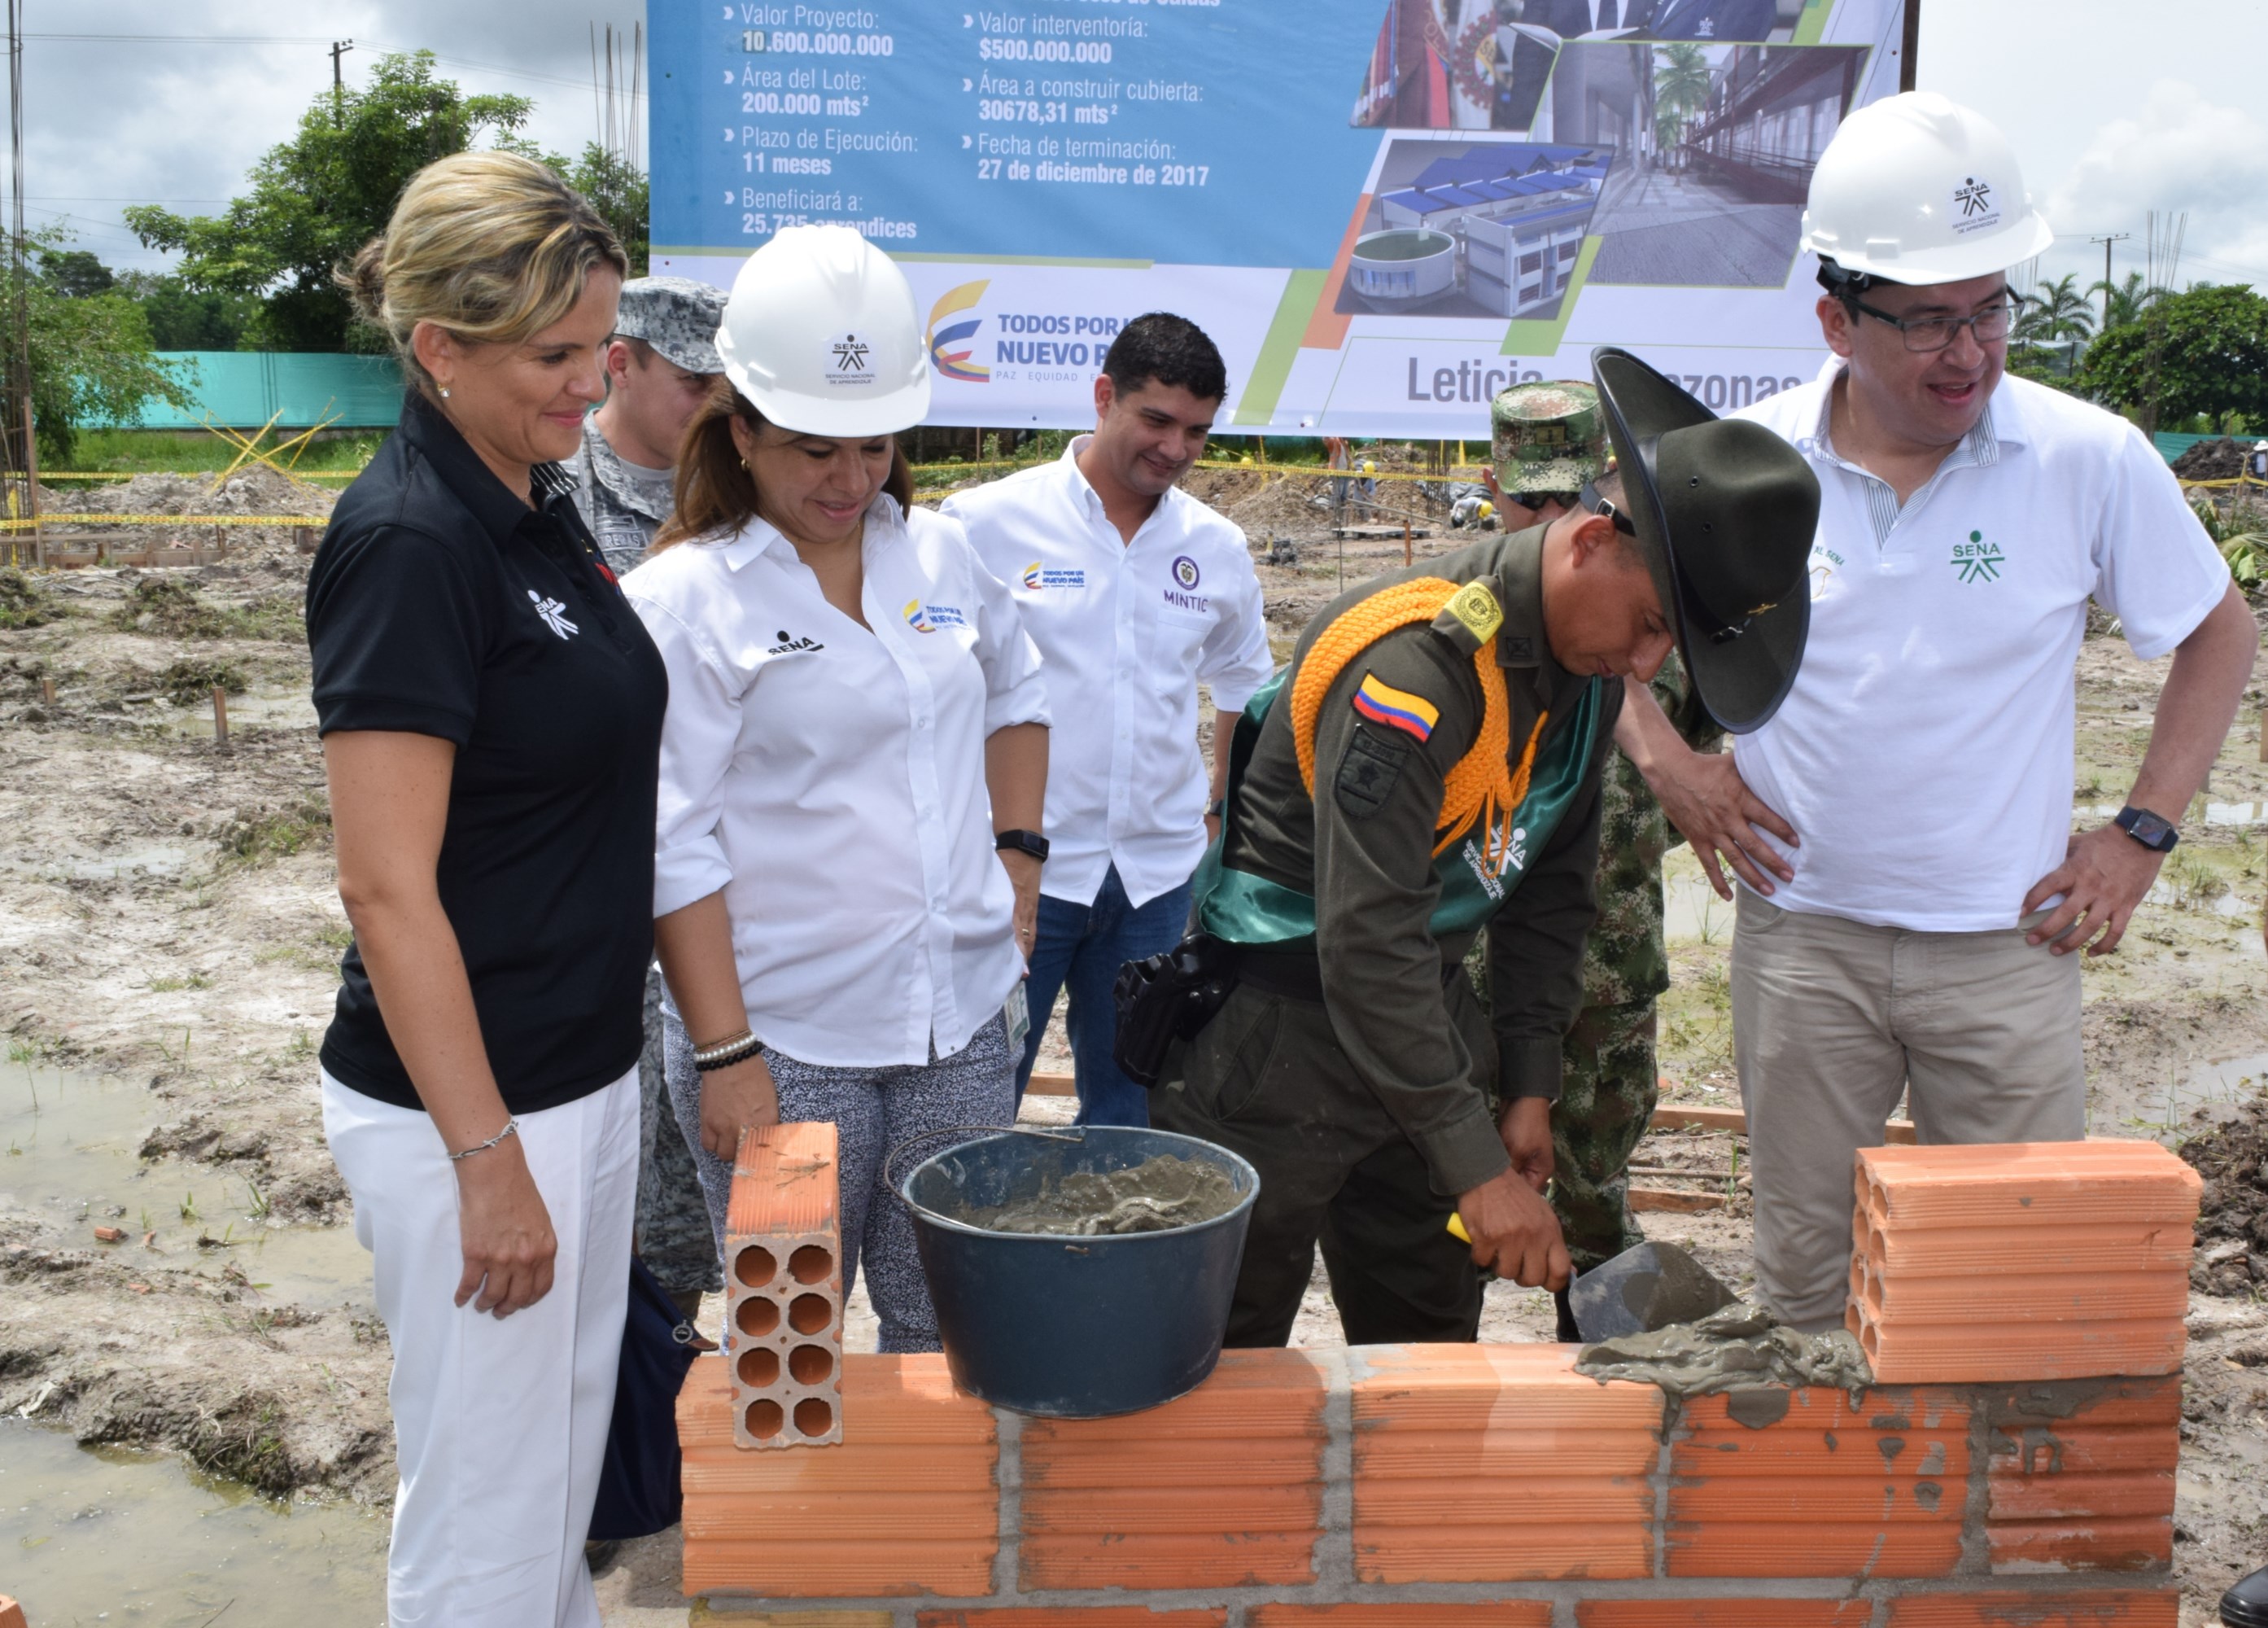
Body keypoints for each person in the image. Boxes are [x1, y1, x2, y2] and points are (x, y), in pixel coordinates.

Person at [1151, 348, 1820, 1347]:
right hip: (1274, 1039)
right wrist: (1476, 1169)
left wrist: (1528, 1085)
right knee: (1219, 1347)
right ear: (1591, 538)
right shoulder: (1415, 672)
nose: (1642, 665)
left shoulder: (1579, 669)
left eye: (1666, 648)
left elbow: (1551, 889)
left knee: (1424, 1341)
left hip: (1419, 1024)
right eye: (1645, 625)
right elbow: (1365, 940)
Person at [1725, 92, 2256, 1332]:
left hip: (2004, 950)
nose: (1964, 352)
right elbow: (1610, 639)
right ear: (1834, 319)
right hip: (1804, 945)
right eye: (1922, 321)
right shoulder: (1745, 463)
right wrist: (1670, 766)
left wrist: (2140, 832)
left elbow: (2217, 633)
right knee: (1802, 1275)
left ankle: (1987, 1528)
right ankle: (1826, 1511)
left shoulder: (2087, 456)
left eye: (1986, 311)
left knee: (2012, 1278)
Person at [308, 151, 661, 1627]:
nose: (590, 387)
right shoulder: (412, 541)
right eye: (553, 356)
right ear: (438, 349)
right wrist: (485, 1159)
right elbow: (386, 888)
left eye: (599, 348)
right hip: (477, 1109)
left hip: (576, 1078)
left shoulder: (529, 495)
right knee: (481, 1524)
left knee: (548, 1502)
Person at [623, 225, 1050, 1354]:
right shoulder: (683, 602)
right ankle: (793, 1532)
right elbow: (670, 840)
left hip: (956, 1024)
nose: (847, 479)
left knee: (947, 1323)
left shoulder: (942, 558)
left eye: (872, 447)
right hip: (781, 1033)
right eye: (814, 448)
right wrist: (723, 1056)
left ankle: (930, 1535)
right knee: (786, 1335)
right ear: (743, 426)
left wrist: (1017, 856)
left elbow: (1018, 694)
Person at [1481, 380, 1799, 1340]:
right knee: (1442, 1197)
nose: (1541, 519)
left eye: (1560, 499)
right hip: (1463, 966)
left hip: (1602, 963)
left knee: (1589, 1194)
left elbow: (1707, 768)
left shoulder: (1656, 617)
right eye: (1521, 500)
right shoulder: (1463, 613)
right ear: (1494, 491)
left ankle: (1615, 1393)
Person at [942, 315, 1272, 1127]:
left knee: (1134, 1106)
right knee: (978, 1093)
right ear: (1102, 397)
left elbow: (1243, 685)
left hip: (1155, 879)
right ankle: (969, 1254)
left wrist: (1219, 806)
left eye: (1196, 430)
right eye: (1156, 420)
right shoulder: (982, 524)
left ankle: (1107, 1254)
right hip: (1017, 870)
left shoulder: (1217, 547)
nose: (1175, 447)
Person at [564, 274, 731, 1325]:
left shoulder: (732, 503)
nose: (712, 409)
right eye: (691, 383)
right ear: (618, 362)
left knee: (697, 1172)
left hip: (712, 882)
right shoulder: (551, 499)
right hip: (589, 885)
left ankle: (669, 1359)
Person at [570, 274, 728, 575]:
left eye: (725, 385)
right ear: (621, 366)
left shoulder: (734, 483)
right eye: (695, 378)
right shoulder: (554, 483)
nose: (715, 405)